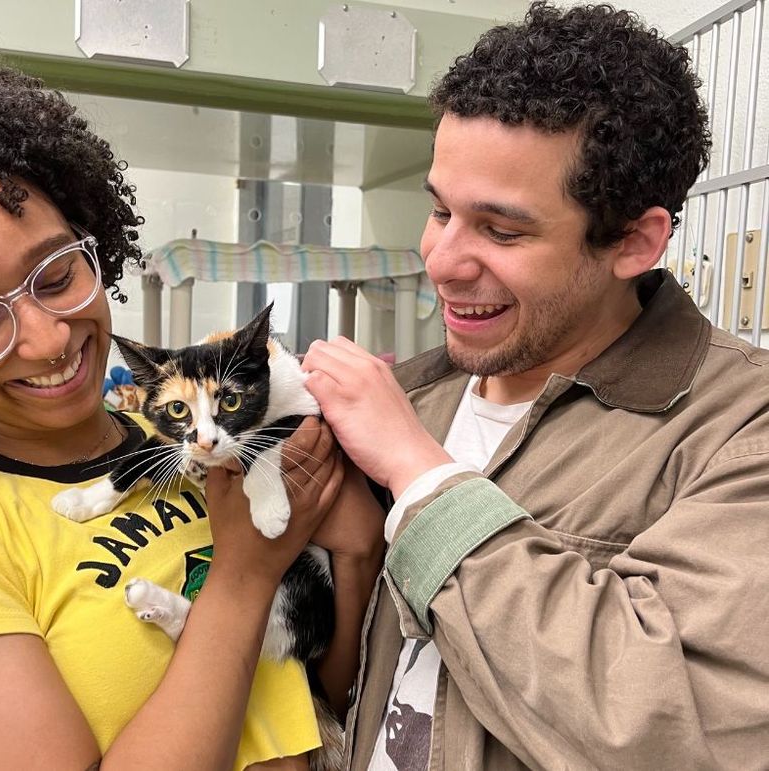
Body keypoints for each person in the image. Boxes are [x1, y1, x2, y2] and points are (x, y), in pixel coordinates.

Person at [0, 67, 384, 770]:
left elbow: (332, 691)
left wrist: (361, 548)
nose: (47, 338)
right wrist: (245, 577)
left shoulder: (195, 447)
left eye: (58, 274)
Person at [302, 2, 769, 768]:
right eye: (440, 209)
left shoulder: (738, 428)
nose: (443, 260)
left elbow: (664, 722)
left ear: (633, 241)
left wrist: (420, 481)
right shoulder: (414, 397)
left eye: (501, 230)